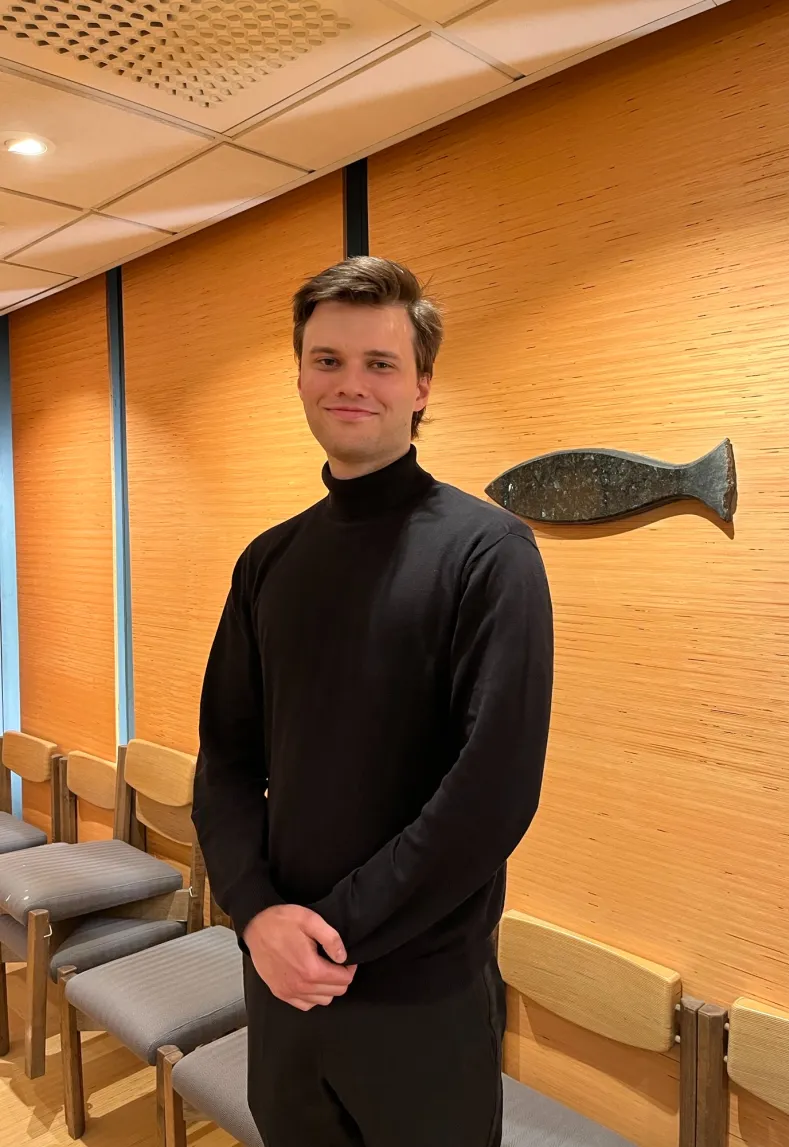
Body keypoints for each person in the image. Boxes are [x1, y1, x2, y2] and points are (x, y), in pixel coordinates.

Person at [192, 256, 554, 1147]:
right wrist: (256, 913)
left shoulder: (490, 553)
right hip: (282, 982)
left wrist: (330, 932)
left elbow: (492, 791)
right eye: (328, 360)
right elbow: (226, 761)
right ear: (300, 376)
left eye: (380, 363)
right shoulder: (267, 562)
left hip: (418, 995)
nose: (350, 383)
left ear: (421, 386)